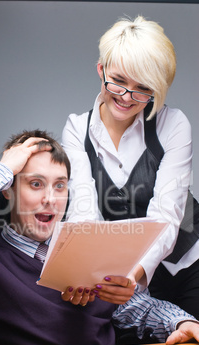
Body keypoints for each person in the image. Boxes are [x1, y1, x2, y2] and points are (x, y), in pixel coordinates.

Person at [0, 129, 199, 345]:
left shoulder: (88, 250)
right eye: (36, 184)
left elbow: (135, 307)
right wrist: (4, 168)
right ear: (8, 188)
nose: (51, 198)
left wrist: (180, 321)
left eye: (59, 185)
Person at [62, 15, 199, 319]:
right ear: (101, 69)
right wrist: (97, 275)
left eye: (142, 88)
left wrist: (134, 277)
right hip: (121, 275)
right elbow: (84, 213)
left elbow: (166, 215)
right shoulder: (76, 130)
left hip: (187, 265)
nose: (126, 97)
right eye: (119, 81)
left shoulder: (172, 124)